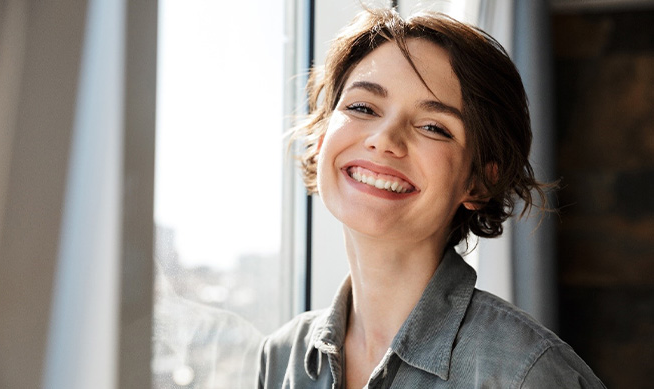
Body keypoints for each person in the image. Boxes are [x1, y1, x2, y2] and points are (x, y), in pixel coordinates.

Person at [257, 8, 605, 388]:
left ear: (478, 183)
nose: (385, 139)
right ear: (322, 140)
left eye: (433, 127)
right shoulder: (281, 357)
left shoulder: (527, 374)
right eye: (362, 107)